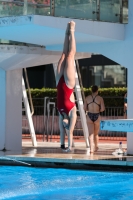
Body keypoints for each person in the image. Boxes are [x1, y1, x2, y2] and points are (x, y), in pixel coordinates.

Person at [56, 21, 77, 152]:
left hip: (59, 83)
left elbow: (62, 132)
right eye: (66, 125)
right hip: (68, 85)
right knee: (70, 57)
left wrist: (62, 146)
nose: (64, 124)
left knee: (63, 55)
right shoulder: (71, 113)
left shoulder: (60, 113)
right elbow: (69, 132)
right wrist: (69, 148)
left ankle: (66, 32)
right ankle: (73, 32)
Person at [84, 85, 105, 153]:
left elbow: (84, 108)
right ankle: (96, 147)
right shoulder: (100, 98)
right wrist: (98, 109)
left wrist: (89, 109)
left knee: (91, 134)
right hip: (97, 115)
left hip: (89, 115)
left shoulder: (87, 98)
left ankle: (91, 149)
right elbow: (102, 109)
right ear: (97, 90)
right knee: (96, 133)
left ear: (91, 90)